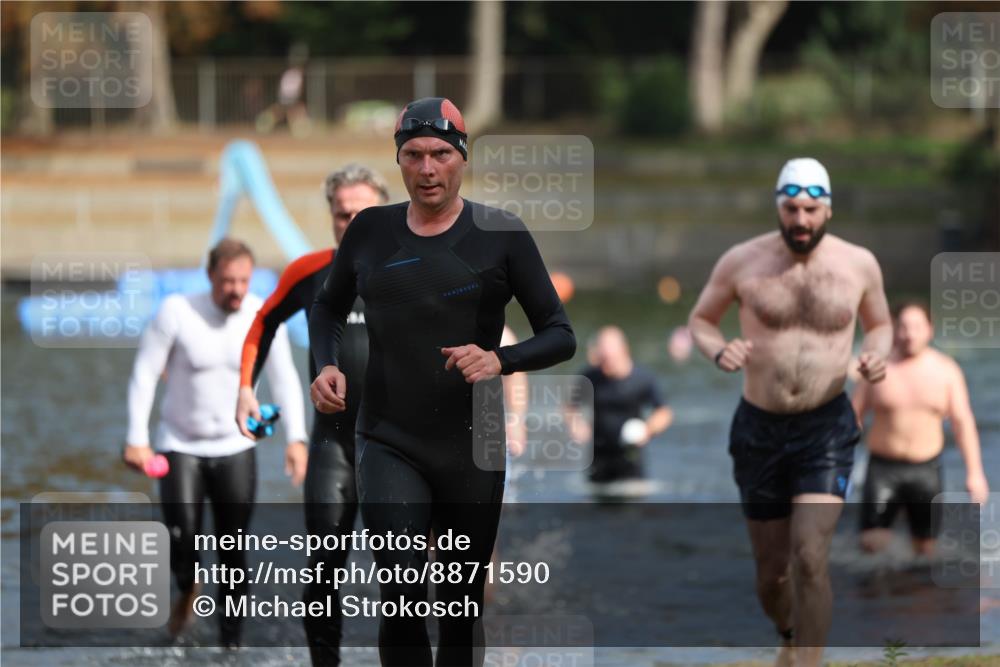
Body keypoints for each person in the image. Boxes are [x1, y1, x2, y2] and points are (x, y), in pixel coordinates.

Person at [308, 97, 576, 666]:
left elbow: (560, 333)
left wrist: (502, 361)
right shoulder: (370, 230)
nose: (427, 169)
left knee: (459, 605)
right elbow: (327, 308)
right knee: (402, 593)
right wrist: (325, 364)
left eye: (439, 155)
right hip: (387, 437)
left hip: (472, 443)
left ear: (461, 158)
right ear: (399, 161)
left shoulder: (499, 234)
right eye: (413, 156)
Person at [688, 158, 892, 667]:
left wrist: (876, 355)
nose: (800, 220)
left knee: (809, 556)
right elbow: (700, 320)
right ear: (778, 206)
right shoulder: (743, 261)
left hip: (826, 424)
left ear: (827, 209)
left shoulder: (858, 264)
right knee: (772, 573)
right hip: (759, 427)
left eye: (810, 209)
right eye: (791, 208)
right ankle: (790, 634)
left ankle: (809, 661)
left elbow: (881, 323)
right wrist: (718, 351)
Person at [236, 163, 389, 666]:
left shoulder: (417, 268)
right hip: (334, 447)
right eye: (342, 214)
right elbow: (263, 321)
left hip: (398, 449)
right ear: (331, 217)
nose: (351, 223)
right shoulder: (309, 272)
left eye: (361, 213)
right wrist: (245, 390)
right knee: (323, 567)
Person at [123, 238, 307, 647]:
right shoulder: (178, 312)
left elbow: (285, 379)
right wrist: (136, 438)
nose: (236, 290)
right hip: (179, 443)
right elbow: (144, 373)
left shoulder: (262, 315)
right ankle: (188, 587)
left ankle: (230, 644)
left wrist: (296, 439)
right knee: (182, 542)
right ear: (210, 277)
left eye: (243, 280)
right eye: (227, 281)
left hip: (235, 448)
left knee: (233, 554)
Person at [852, 301, 989, 555]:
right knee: (871, 546)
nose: (909, 334)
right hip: (883, 468)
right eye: (903, 326)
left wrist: (975, 473)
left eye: (916, 326)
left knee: (925, 551)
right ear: (895, 329)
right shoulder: (878, 370)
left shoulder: (946, 371)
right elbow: (853, 418)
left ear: (930, 329)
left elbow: (962, 422)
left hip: (926, 469)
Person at [567, 326, 673, 485]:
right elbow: (569, 407)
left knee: (631, 503)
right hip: (598, 455)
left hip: (629, 455)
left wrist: (647, 430)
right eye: (603, 358)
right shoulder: (589, 377)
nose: (607, 364)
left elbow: (664, 413)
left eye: (611, 358)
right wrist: (577, 425)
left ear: (624, 350)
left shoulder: (643, 378)